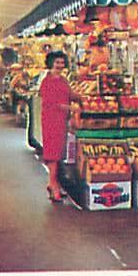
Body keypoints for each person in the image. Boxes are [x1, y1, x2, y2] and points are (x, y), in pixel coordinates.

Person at [39, 51, 79, 203]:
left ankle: (52, 184)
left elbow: (69, 94)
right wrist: (72, 109)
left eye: (62, 63)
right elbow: (52, 103)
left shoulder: (63, 79)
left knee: (59, 152)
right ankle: (54, 185)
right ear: (51, 63)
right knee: (53, 154)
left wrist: (82, 98)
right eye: (57, 62)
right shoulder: (47, 82)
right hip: (51, 120)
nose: (60, 65)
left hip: (62, 120)